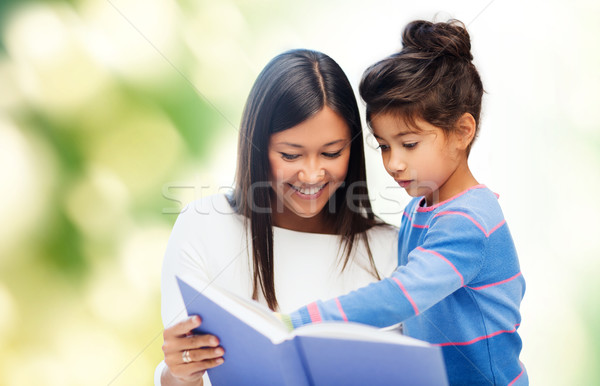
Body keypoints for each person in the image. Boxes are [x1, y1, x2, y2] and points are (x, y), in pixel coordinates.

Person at [282, 20, 528, 385]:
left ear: (462, 131)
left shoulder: (470, 220)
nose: (393, 162)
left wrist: (298, 323)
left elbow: (401, 296)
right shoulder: (420, 209)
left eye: (409, 144)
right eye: (383, 145)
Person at [155, 49, 399, 385]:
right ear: (256, 147)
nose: (312, 174)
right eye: (290, 154)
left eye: (332, 152)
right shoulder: (203, 227)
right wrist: (178, 375)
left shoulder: (391, 250)